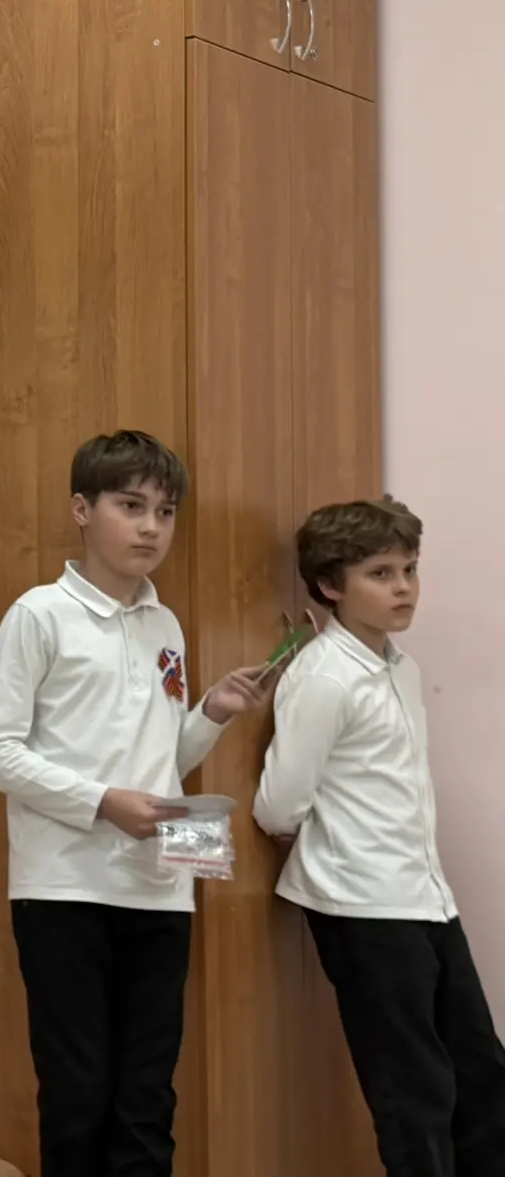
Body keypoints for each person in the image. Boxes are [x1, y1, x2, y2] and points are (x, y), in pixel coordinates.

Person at [0, 430, 271, 1177]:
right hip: (64, 888)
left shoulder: (165, 625)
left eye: (164, 512)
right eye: (130, 507)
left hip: (161, 889)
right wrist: (103, 803)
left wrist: (212, 713)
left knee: (146, 1100)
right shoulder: (40, 615)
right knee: (78, 1097)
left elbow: (162, 760)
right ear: (82, 509)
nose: (150, 528)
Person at [254, 498, 505, 1175]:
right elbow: (278, 804)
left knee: (481, 1077)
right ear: (330, 585)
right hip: (362, 904)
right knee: (412, 1093)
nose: (404, 588)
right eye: (381, 574)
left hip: (424, 897)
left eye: (410, 570)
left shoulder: (400, 667)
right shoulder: (323, 677)